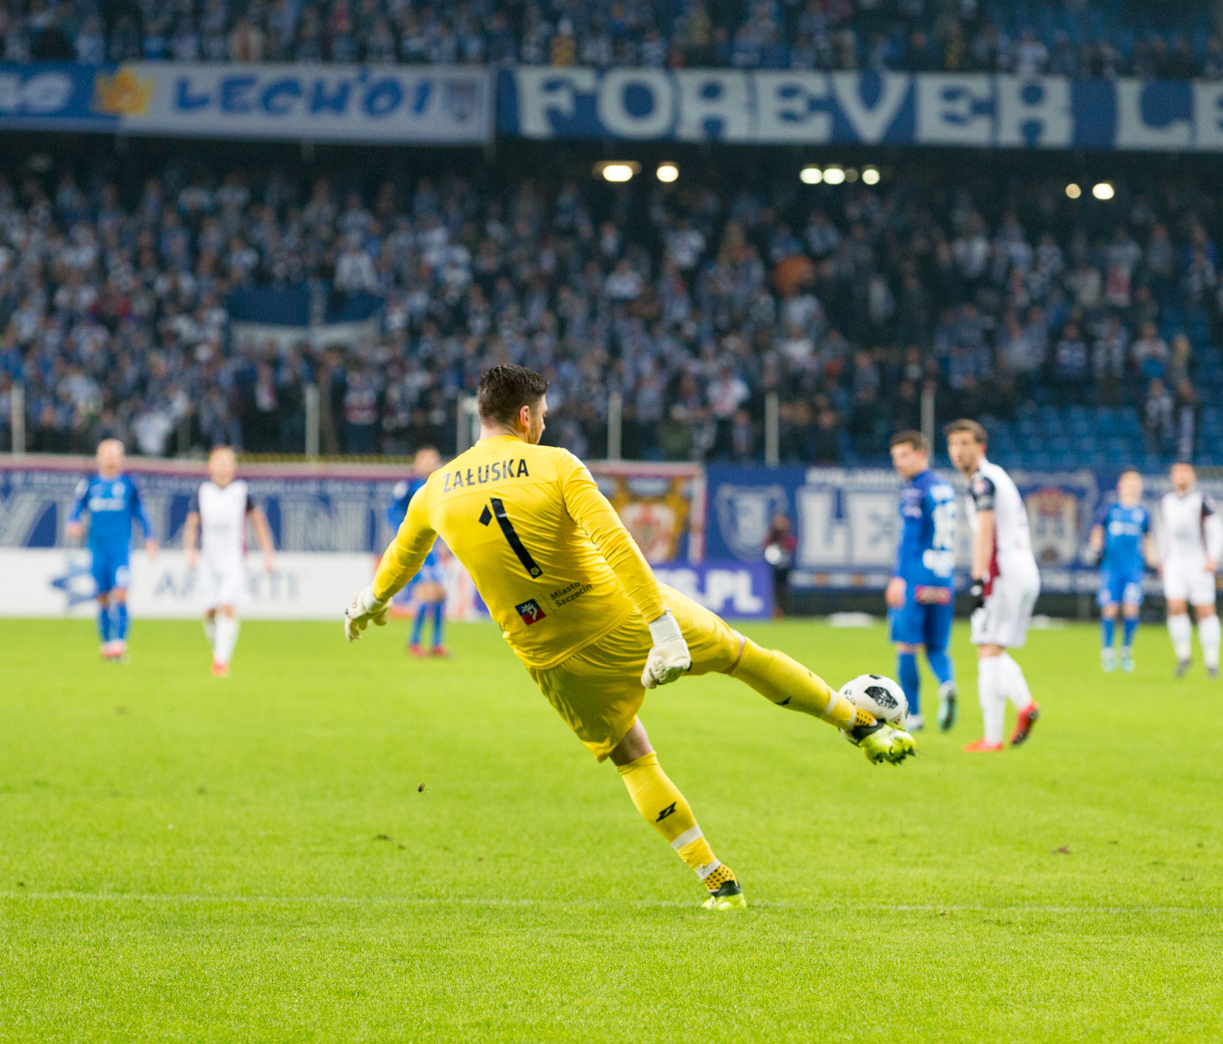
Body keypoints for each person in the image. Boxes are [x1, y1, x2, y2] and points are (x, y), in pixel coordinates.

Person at [343, 365, 917, 910]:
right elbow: (617, 545)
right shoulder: (555, 464)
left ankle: (718, 882)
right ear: (524, 417)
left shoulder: (435, 490)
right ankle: (860, 725)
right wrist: (663, 630)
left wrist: (368, 604)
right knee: (742, 656)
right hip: (622, 616)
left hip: (550, 655)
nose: (543, 423)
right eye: (541, 414)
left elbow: (402, 556)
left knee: (632, 758)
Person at [945, 419, 1041, 753]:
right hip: (1023, 569)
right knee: (993, 649)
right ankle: (1006, 724)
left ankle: (1003, 726)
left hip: (1002, 574)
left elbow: (985, 529)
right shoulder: (997, 475)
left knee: (986, 650)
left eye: (965, 443)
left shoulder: (982, 481)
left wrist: (977, 579)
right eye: (953, 444)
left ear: (981, 447)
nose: (958, 451)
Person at [884, 430, 958, 733]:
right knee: (936, 646)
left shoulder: (914, 490)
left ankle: (913, 715)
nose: (898, 463)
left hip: (915, 577)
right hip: (943, 576)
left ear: (921, 454)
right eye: (895, 458)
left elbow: (910, 538)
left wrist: (899, 578)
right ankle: (947, 684)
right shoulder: (944, 487)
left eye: (904, 456)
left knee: (906, 645)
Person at [182, 446, 275, 677]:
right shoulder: (203, 492)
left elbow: (259, 523)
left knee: (227, 606)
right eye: (218, 461)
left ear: (234, 466)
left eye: (227, 462)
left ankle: (221, 662)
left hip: (234, 559)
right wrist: (189, 550)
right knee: (209, 612)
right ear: (210, 466)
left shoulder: (242, 492)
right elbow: (192, 523)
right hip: (209, 559)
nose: (223, 466)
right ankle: (220, 649)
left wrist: (268, 553)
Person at [65, 438, 158, 662]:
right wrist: (73, 521)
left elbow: (140, 512)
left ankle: (119, 644)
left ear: (121, 458)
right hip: (97, 550)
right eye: (106, 453)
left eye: (114, 453)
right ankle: (107, 644)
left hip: (120, 550)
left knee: (122, 592)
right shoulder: (89, 484)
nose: (110, 457)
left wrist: (149, 537)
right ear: (98, 457)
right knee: (102, 597)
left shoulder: (128, 484)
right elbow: (77, 507)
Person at [1158, 462, 1223, 679]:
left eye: (1185, 473)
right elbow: (1165, 533)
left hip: (1198, 562)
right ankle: (1184, 655)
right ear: (1172, 477)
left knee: (1205, 610)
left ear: (1193, 477)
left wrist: (1213, 558)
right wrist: (1162, 559)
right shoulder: (1166, 502)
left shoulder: (1202, 501)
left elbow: (1217, 530)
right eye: (1178, 473)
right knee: (1175, 607)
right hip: (1175, 563)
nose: (1181, 477)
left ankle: (1212, 662)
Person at [1086, 470, 1157, 673]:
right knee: (1110, 608)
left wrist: (1153, 560)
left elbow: (1148, 539)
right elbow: (1097, 531)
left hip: (1133, 569)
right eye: (1129, 483)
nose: (1132, 487)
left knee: (1131, 608)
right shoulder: (1110, 510)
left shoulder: (1143, 513)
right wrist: (1096, 548)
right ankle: (1108, 652)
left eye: (1135, 483)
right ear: (1120, 486)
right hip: (1112, 569)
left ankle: (1126, 650)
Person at [388, 447, 449, 657]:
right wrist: (404, 534)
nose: (430, 464)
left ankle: (437, 644)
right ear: (416, 463)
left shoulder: (438, 487)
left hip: (432, 549)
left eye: (433, 460)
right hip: (416, 548)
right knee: (426, 593)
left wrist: (443, 541)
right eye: (425, 460)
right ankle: (414, 642)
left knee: (441, 594)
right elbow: (391, 512)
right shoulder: (407, 486)